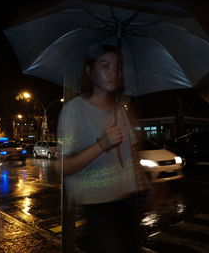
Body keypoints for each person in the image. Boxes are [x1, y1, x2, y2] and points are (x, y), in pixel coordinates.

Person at [56, 43, 150, 253]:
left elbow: (131, 154)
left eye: (117, 67)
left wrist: (149, 186)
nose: (113, 73)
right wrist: (101, 144)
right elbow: (63, 166)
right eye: (105, 66)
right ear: (90, 72)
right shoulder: (73, 110)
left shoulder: (120, 110)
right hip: (97, 204)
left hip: (128, 199)